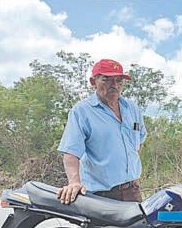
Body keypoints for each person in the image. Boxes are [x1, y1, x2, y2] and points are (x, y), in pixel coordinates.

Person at [57, 59, 147, 204]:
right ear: (93, 82)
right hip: (100, 196)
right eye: (107, 80)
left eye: (119, 80)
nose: (115, 85)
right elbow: (71, 153)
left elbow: (139, 142)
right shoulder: (82, 111)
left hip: (132, 191)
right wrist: (74, 182)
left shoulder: (132, 108)